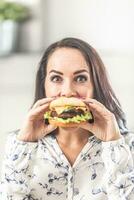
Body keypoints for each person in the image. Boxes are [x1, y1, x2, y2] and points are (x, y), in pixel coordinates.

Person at [0, 37, 134, 200]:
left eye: (80, 78)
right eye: (56, 78)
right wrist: (25, 144)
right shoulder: (19, 146)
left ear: (96, 85)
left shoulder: (126, 146)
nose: (68, 91)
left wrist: (113, 143)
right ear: (44, 85)